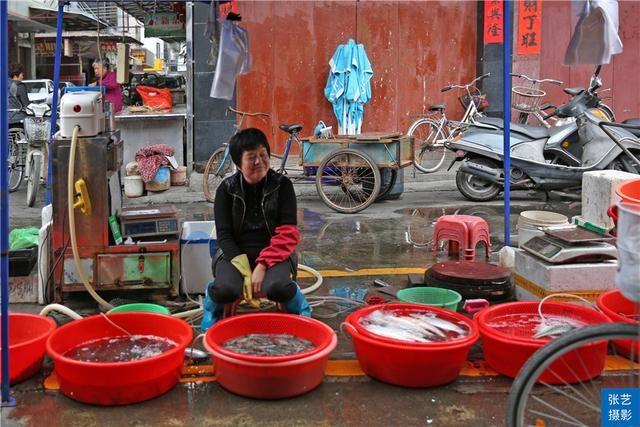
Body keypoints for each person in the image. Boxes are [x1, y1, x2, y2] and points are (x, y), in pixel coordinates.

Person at [201, 128, 311, 330]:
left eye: (263, 155)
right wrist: (244, 269)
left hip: (275, 255)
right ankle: (210, 306)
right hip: (232, 255)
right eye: (251, 157)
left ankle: (301, 307)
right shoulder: (226, 190)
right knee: (226, 289)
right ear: (238, 163)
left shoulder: (282, 185)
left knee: (277, 287)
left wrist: (261, 265)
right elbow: (224, 236)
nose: (259, 162)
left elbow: (288, 233)